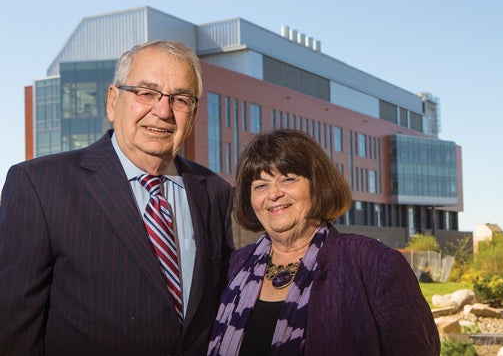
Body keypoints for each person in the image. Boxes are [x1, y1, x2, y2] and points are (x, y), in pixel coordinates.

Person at [0, 40, 234, 355]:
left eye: (180, 99)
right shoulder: (39, 186)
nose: (162, 111)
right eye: (146, 93)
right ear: (113, 101)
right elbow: (14, 332)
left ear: (193, 114)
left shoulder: (215, 193)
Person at [208, 129, 440, 355]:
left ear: (318, 185)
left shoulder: (374, 264)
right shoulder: (235, 266)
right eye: (260, 185)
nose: (273, 194)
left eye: (288, 179)